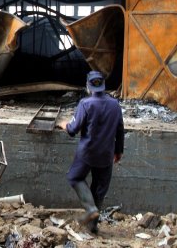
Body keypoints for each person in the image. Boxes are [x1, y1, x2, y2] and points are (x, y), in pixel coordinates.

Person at [56, 70, 124, 233]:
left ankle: (90, 209)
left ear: (88, 86)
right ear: (104, 86)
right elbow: (120, 130)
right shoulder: (115, 105)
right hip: (107, 154)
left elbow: (73, 129)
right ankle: (93, 227)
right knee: (99, 188)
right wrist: (118, 151)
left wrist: (63, 124)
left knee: (75, 177)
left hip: (87, 153)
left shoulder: (85, 104)